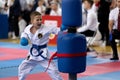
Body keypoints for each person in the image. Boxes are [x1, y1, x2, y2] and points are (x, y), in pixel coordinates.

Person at [18, 11, 63, 80]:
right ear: (32, 21)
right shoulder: (28, 28)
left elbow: (57, 30)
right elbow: (25, 33)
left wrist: (63, 28)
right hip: (33, 53)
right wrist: (24, 38)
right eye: (37, 20)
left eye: (40, 19)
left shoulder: (46, 28)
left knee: (53, 71)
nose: (39, 21)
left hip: (43, 54)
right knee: (22, 68)